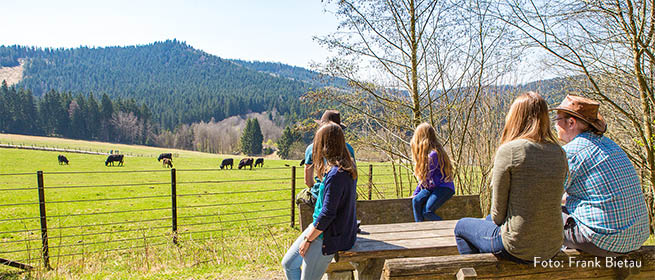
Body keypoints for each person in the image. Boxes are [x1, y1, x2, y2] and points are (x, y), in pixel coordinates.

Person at [454, 92, 568, 263]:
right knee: (485, 221)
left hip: (518, 246)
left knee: (461, 226)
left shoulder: (511, 151)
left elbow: (498, 216)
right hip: (552, 244)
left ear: (515, 117)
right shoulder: (559, 152)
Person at [551, 94, 649, 256]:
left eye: (557, 119)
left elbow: (546, 199)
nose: (555, 125)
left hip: (604, 240)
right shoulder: (611, 145)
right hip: (637, 236)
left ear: (571, 122)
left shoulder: (571, 152)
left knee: (541, 217)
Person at [282, 122, 358, 280]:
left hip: (327, 236)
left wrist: (308, 240)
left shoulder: (337, 174)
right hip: (318, 228)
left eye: (318, 141)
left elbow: (328, 213)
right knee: (289, 264)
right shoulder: (338, 168)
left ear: (325, 145)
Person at [304, 110, 355, 199]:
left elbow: (308, 181)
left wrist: (316, 188)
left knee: (300, 197)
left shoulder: (312, 148)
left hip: (321, 193)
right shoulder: (348, 149)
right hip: (346, 195)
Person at [410, 123, 455, 222]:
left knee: (427, 211)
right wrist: (416, 193)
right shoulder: (426, 154)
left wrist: (418, 191)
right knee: (416, 201)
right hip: (432, 187)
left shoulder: (434, 154)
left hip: (444, 188)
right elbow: (424, 179)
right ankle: (420, 230)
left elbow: (426, 177)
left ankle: (444, 228)